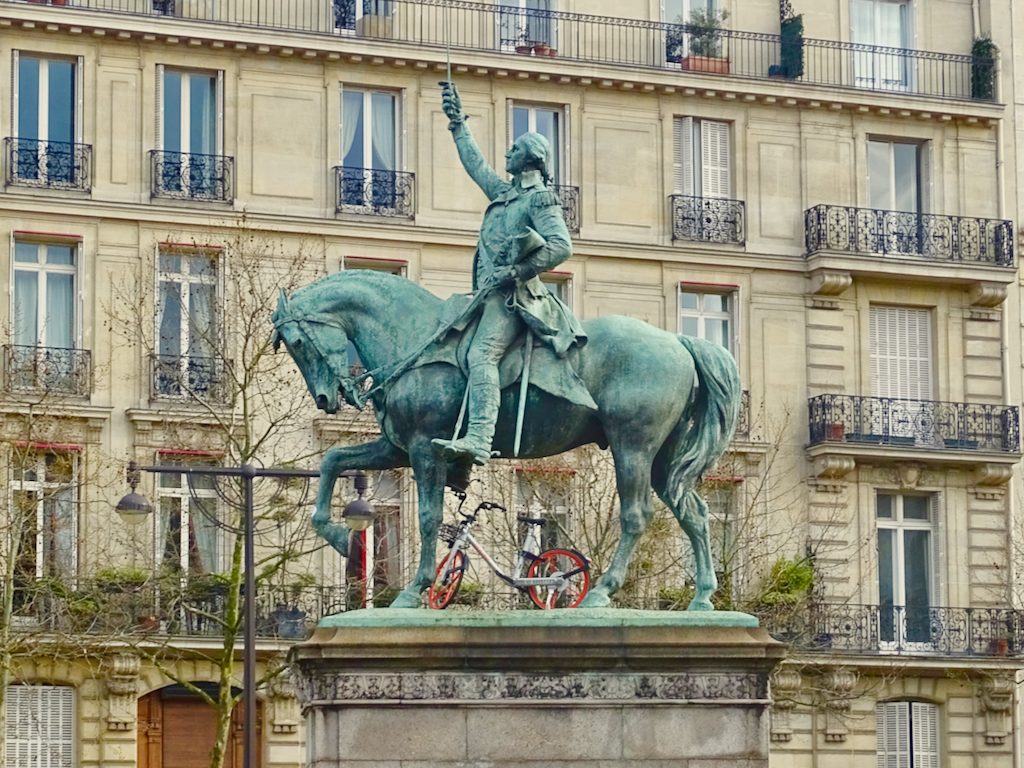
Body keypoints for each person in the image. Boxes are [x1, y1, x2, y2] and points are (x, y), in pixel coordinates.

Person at [432, 81, 586, 466]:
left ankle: (480, 439)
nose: (507, 152)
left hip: (514, 300)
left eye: (514, 149)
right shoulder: (505, 194)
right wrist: (457, 123)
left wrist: (517, 271)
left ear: (531, 159)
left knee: (481, 356)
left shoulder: (539, 198)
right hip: (486, 296)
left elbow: (560, 245)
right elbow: (475, 165)